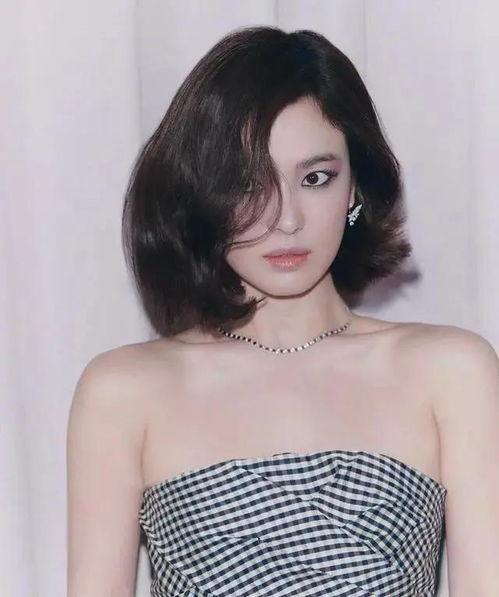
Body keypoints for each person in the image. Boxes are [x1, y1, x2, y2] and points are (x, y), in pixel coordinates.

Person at [66, 25, 499, 597]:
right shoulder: (124, 391)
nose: (286, 219)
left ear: (355, 188)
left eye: (315, 178)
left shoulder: (451, 372)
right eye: (248, 184)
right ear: (202, 196)